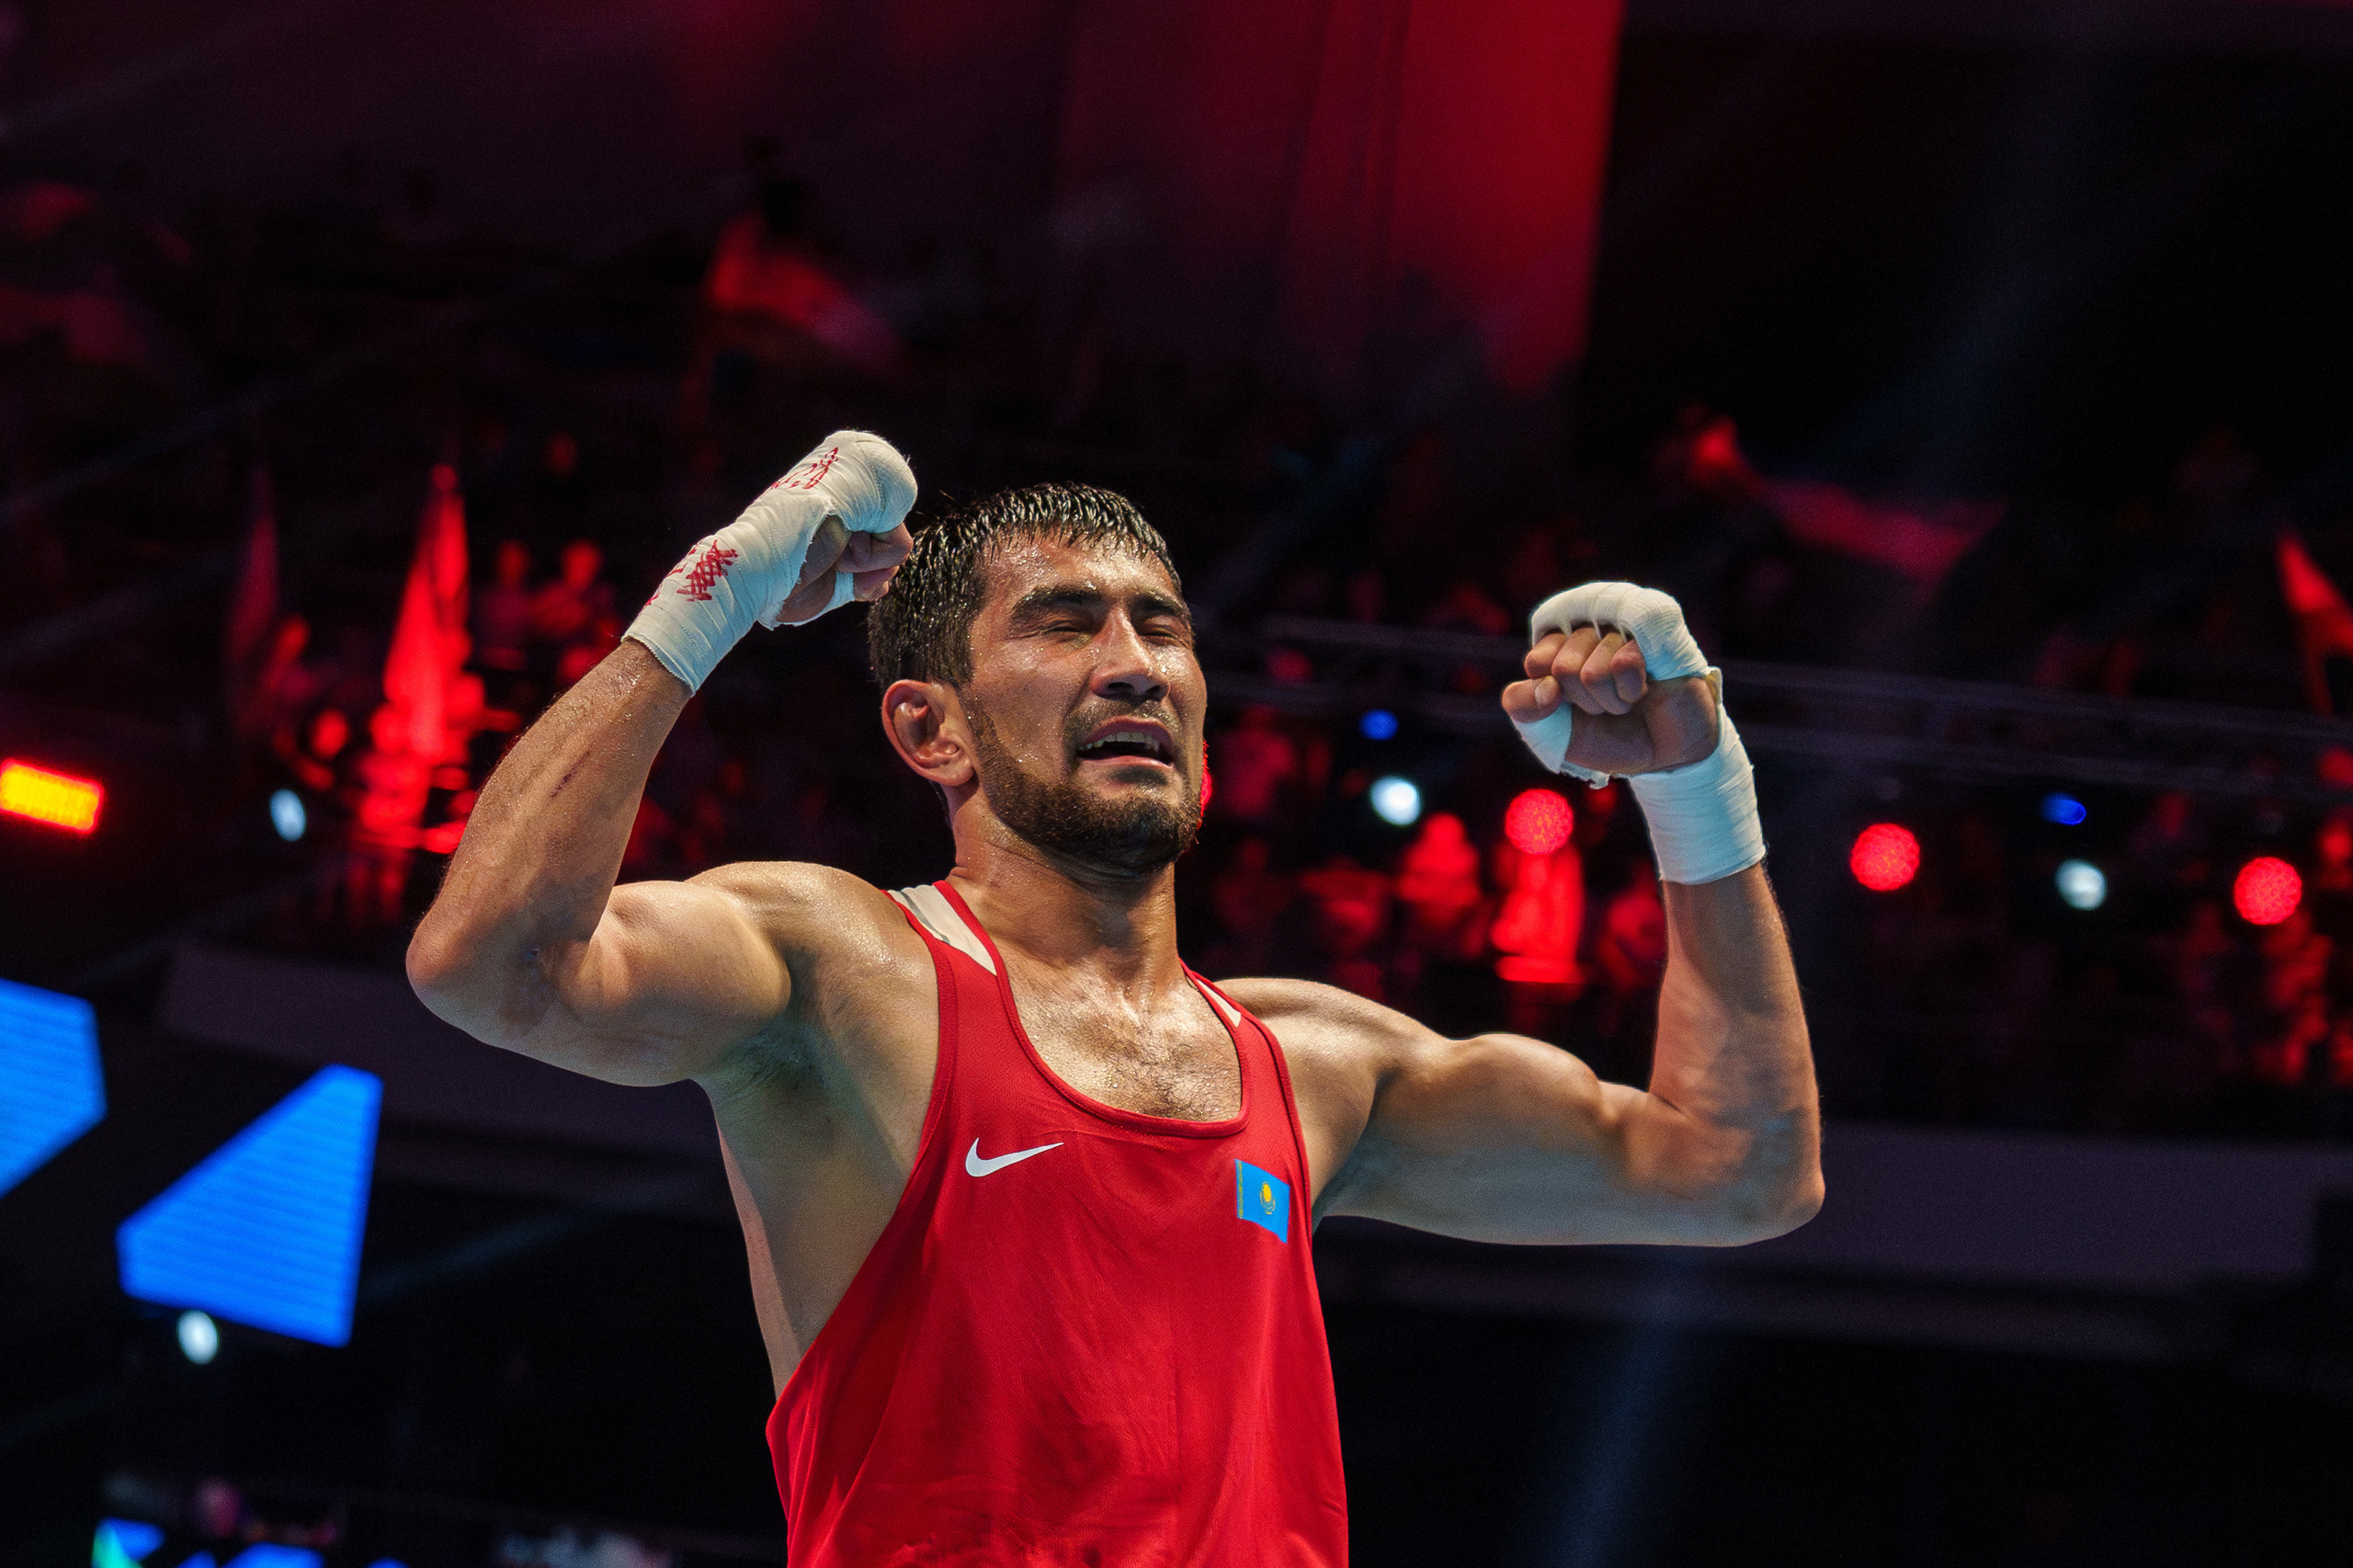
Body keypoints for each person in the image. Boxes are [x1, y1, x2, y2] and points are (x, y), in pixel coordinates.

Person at [407, 432, 1822, 1566]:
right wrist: (714, 591)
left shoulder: (1316, 1065)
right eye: (1065, 622)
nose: (1134, 661)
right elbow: (491, 962)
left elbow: (1739, 1169)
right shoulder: (838, 968)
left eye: (1161, 626)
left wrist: (1696, 786)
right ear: (930, 727)